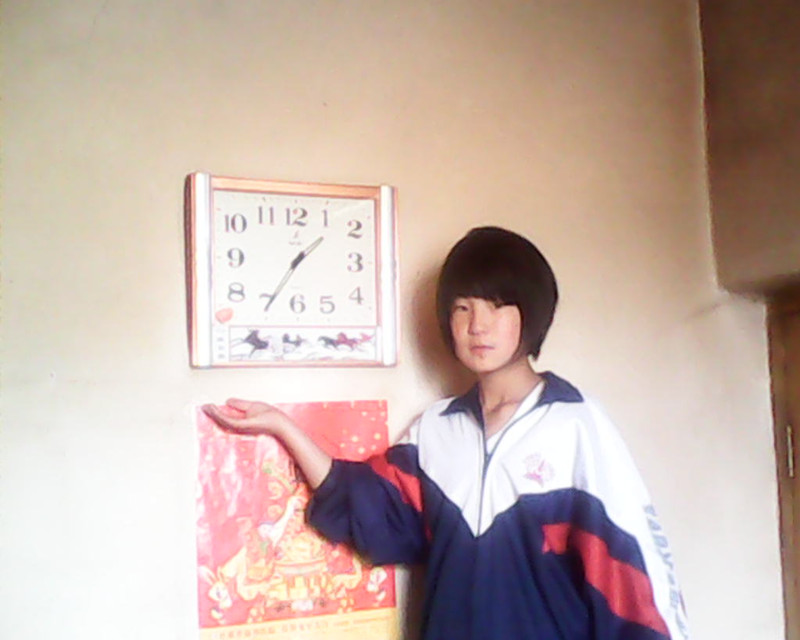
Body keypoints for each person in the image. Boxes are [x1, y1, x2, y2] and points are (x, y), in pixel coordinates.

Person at [204, 226, 689, 640]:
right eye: (462, 308)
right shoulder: (435, 430)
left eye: (497, 306)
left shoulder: (576, 425)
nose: (478, 326)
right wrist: (282, 426)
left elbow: (636, 584)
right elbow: (366, 509)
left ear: (533, 312)